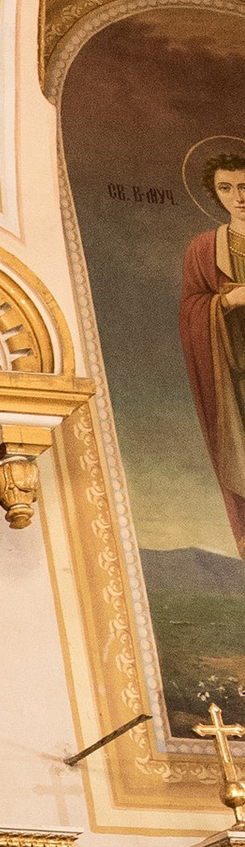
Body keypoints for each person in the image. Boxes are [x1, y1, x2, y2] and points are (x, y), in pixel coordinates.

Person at [178, 144, 245, 557]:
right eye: (226, 188)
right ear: (215, 193)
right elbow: (191, 310)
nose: (238, 196)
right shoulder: (203, 249)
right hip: (236, 370)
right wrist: (227, 302)